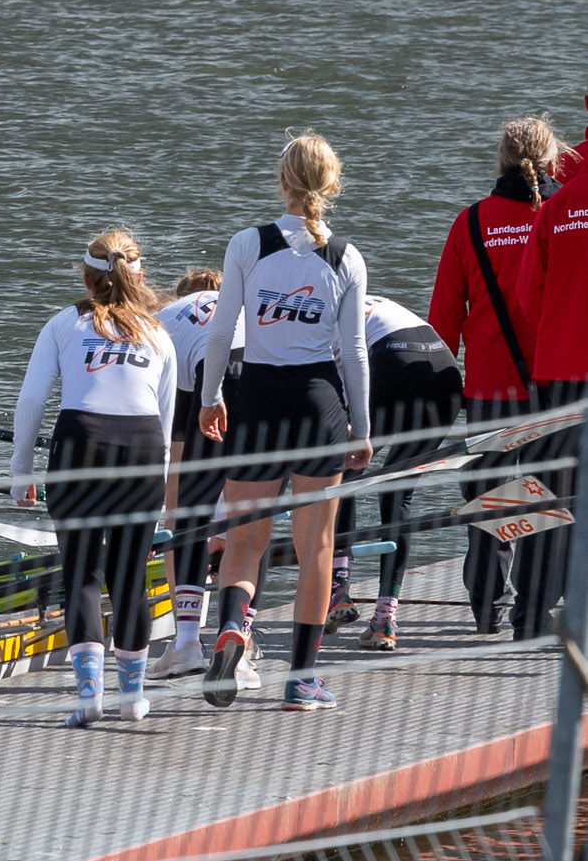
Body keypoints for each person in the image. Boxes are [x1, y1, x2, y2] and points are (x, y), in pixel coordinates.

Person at [198, 134, 373, 714]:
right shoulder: (346, 256)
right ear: (332, 185)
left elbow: (221, 333)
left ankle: (231, 627)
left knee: (246, 541)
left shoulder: (248, 244)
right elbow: (352, 352)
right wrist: (363, 428)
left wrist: (210, 396)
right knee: (315, 548)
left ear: (282, 180)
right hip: (319, 404)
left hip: (259, 400)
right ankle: (301, 681)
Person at [10, 229, 177, 726]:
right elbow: (166, 424)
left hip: (81, 442)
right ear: (138, 275)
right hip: (143, 448)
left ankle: (88, 697)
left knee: (82, 572)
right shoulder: (159, 333)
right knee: (130, 576)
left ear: (85, 276)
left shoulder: (65, 322)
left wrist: (22, 471)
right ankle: (132, 698)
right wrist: (162, 488)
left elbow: (32, 401)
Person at [430, 116, 556, 634]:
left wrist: (444, 385)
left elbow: (443, 318)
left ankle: (487, 607)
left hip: (489, 385)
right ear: (554, 161)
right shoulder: (564, 216)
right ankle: (535, 605)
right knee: (549, 492)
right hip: (556, 381)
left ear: (499, 160)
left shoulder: (472, 222)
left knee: (488, 491)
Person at [334, 295, 462, 651]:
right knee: (397, 491)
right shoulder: (362, 300)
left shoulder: (321, 316)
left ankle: (337, 591)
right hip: (445, 371)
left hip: (394, 362)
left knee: (344, 473)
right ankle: (385, 619)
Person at [148, 267, 245, 684]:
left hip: (211, 377)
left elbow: (175, 459)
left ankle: (185, 639)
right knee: (250, 517)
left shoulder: (164, 323)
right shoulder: (243, 306)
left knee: (184, 516)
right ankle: (243, 636)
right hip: (270, 375)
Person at [516, 130, 588, 642]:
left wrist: (562, 329)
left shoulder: (559, 205)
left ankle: (528, 615)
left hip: (559, 368)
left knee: (547, 492)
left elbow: (528, 295)